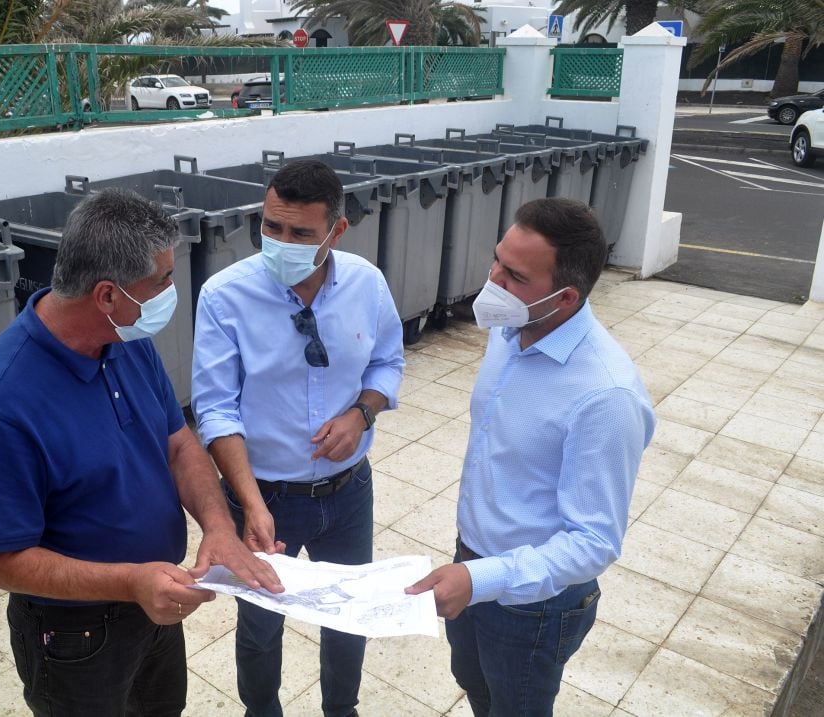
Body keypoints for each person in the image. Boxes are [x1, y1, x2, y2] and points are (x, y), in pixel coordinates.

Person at [0, 187, 283, 717]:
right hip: (75, 636)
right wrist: (128, 581)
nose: (171, 291)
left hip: (153, 606)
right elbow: (4, 560)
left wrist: (218, 527)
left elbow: (178, 444)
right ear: (107, 295)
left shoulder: (125, 340)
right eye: (162, 281)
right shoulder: (0, 405)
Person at [406, 198, 656, 717]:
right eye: (497, 260)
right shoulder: (512, 327)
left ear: (564, 298)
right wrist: (470, 568)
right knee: (473, 682)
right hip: (471, 557)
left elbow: (594, 542)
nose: (493, 281)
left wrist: (483, 579)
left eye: (514, 276)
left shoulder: (606, 396)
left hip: (534, 605)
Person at [191, 159, 405, 717]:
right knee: (261, 625)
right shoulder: (224, 297)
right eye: (270, 227)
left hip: (348, 493)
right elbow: (216, 411)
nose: (280, 243)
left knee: (347, 618)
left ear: (337, 230)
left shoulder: (367, 284)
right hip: (266, 499)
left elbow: (387, 364)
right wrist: (252, 504)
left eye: (300, 233)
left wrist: (362, 413)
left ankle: (343, 708)